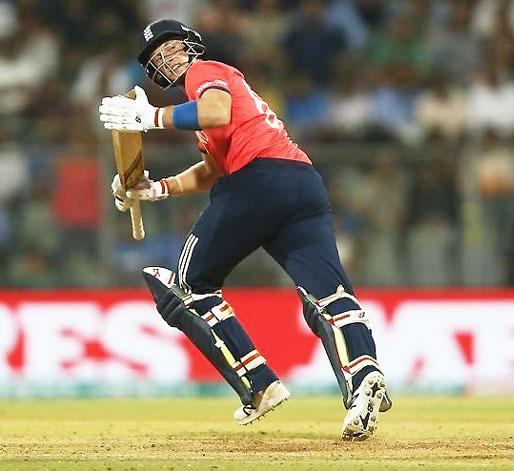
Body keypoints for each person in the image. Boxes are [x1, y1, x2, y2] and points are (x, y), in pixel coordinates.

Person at [98, 19, 390, 441]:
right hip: (301, 184)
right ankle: (365, 374)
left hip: (259, 181)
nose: (166, 58)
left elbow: (216, 112)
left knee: (186, 288)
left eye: (172, 47)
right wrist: (156, 187)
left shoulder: (207, 72)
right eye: (156, 57)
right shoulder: (203, 104)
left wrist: (151, 116)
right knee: (327, 293)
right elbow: (213, 170)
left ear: (191, 47)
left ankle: (259, 385)